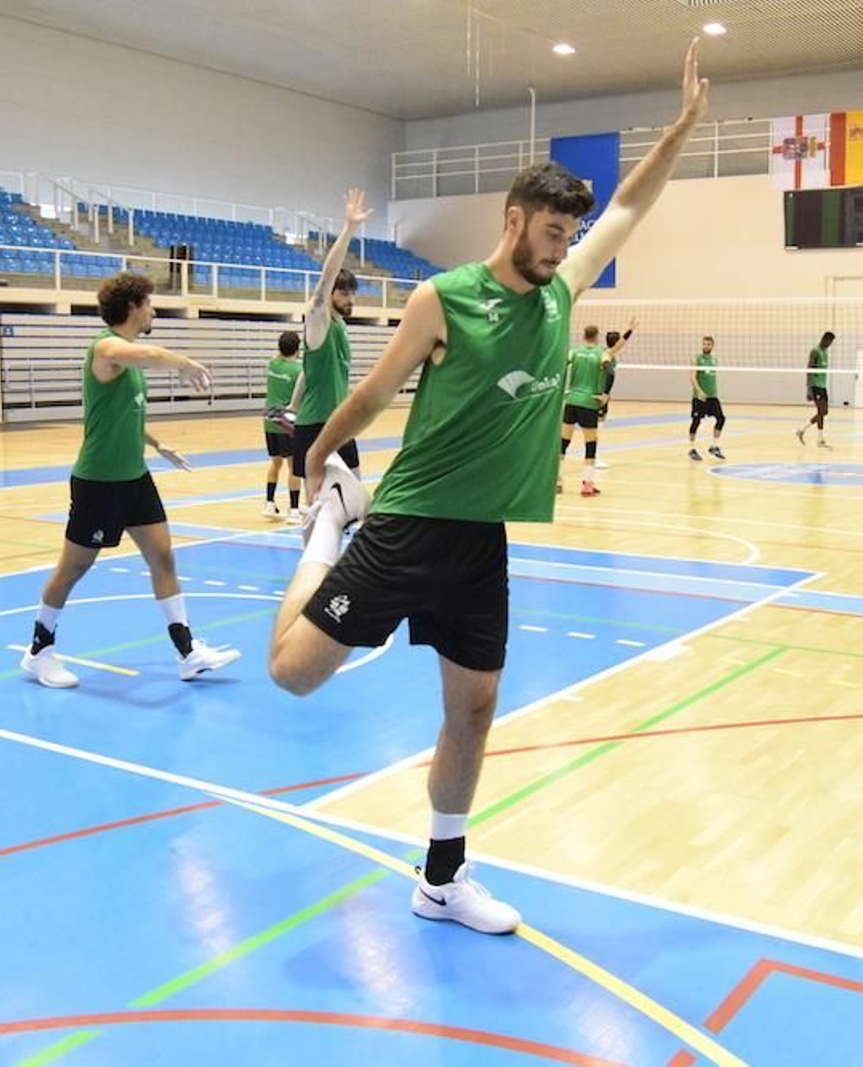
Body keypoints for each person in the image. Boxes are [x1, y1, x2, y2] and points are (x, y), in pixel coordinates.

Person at [267, 40, 711, 934]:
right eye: (554, 231)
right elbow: (375, 390)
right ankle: (328, 533)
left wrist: (680, 133)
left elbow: (629, 206)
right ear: (515, 221)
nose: (566, 246)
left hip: (480, 540)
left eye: (570, 236)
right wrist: (319, 461)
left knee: (473, 707)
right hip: (410, 521)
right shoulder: (445, 298)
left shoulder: (561, 295)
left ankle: (441, 877)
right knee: (294, 676)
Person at [19, 272, 242, 688]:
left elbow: (124, 413)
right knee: (72, 569)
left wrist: (157, 444)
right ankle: (39, 650)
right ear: (134, 307)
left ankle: (187, 652)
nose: (154, 310)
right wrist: (185, 363)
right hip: (99, 483)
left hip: (135, 478)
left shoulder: (128, 359)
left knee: (164, 558)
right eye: (151, 304)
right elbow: (147, 356)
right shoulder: (105, 348)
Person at [287, 189, 370, 487]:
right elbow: (326, 276)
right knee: (318, 505)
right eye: (344, 292)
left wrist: (291, 407)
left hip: (339, 422)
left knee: (355, 497)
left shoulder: (341, 327)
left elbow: (308, 374)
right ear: (331, 294)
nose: (350, 299)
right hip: (316, 426)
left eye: (353, 293)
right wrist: (349, 229)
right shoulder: (318, 320)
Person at [558, 325, 610, 495]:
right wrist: (605, 394)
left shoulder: (574, 352)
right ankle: (587, 484)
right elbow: (610, 371)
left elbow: (560, 365)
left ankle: (556, 481)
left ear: (584, 335)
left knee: (563, 443)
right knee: (590, 444)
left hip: (571, 400)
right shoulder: (601, 353)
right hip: (589, 402)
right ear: (596, 336)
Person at [262, 330, 303, 521]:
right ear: (297, 348)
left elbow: (279, 355)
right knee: (294, 465)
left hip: (269, 419)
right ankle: (294, 510)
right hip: (286, 420)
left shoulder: (272, 363)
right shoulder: (297, 371)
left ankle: (269, 504)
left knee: (276, 463)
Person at [591, 319, 637, 471]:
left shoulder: (607, 352)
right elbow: (621, 344)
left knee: (599, 427)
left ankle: (594, 456)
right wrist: (630, 330)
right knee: (595, 429)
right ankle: (593, 458)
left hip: (603, 396)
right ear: (615, 342)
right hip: (599, 396)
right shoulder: (607, 354)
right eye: (618, 341)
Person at [688, 334, 725, 460]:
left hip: (712, 396)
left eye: (708, 344)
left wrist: (712, 392)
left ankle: (714, 446)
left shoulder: (714, 360)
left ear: (712, 346)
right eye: (704, 344)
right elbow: (692, 378)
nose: (706, 346)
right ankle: (691, 449)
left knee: (721, 418)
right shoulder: (696, 359)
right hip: (699, 397)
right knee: (696, 421)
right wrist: (699, 392)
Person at [795, 330, 834, 448]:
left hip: (823, 386)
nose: (830, 344)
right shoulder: (815, 351)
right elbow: (809, 370)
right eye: (830, 341)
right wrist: (808, 389)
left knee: (822, 412)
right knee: (823, 412)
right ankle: (804, 431)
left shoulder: (825, 352)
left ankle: (818, 438)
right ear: (825, 339)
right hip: (815, 386)